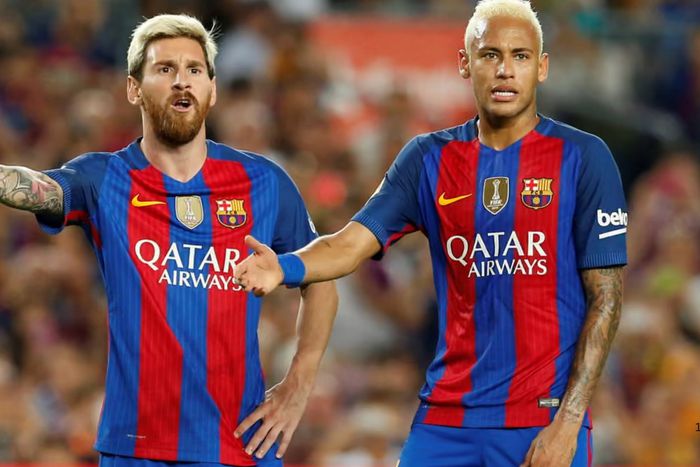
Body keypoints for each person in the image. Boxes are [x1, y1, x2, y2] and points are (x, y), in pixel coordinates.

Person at [233, 0, 627, 465]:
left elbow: (606, 299)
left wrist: (569, 421)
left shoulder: (584, 158)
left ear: (541, 67)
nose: (505, 69)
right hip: (446, 420)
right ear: (465, 63)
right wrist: (285, 266)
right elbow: (349, 244)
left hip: (541, 418)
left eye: (520, 56)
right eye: (490, 54)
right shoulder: (428, 159)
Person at [0, 14, 337, 467]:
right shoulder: (104, 178)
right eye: (164, 69)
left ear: (212, 89)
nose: (182, 81)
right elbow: (37, 188)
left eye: (194, 69)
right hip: (135, 447)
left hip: (239, 446)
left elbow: (323, 277)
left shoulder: (263, 182)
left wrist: (300, 380)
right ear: (133, 89)